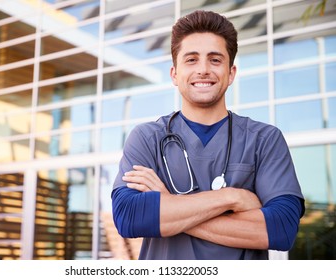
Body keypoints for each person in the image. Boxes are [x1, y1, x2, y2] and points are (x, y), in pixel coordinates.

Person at [111, 10, 305, 260]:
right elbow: (129, 217)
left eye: (215, 60)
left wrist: (168, 207)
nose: (203, 70)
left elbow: (282, 229)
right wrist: (232, 197)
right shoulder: (147, 138)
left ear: (231, 73)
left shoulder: (264, 140)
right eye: (191, 60)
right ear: (174, 74)